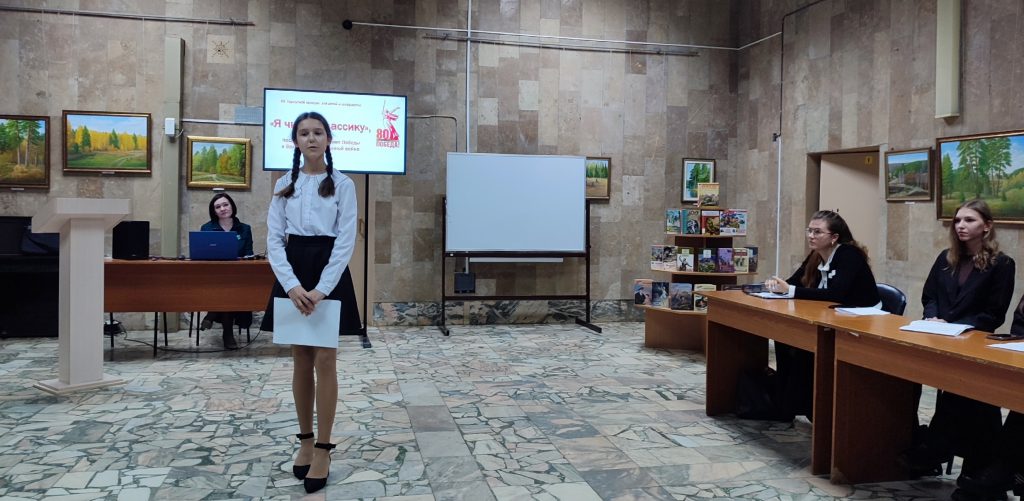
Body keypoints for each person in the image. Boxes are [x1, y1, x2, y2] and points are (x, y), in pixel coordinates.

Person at [262, 111, 361, 494]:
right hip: (294, 270)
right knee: (300, 358)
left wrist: (321, 288)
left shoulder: (343, 184)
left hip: (327, 271)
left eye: (318, 132)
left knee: (325, 360)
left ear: (329, 139)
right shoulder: (284, 184)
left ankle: (323, 448)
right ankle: (304, 441)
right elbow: (274, 239)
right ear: (296, 141)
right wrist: (290, 286)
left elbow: (346, 240)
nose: (312, 138)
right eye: (304, 133)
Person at [897, 199, 1015, 492]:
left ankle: (939, 447)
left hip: (973, 340)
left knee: (969, 395)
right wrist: (932, 317)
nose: (961, 226)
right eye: (958, 220)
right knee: (964, 398)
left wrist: (958, 326)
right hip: (939, 335)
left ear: (986, 226)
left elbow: (994, 313)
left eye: (969, 220)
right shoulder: (945, 258)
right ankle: (949, 451)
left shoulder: (1001, 264)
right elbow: (930, 295)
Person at [763, 210, 880, 419]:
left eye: (817, 232)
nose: (811, 236)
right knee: (784, 338)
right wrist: (777, 285)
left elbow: (836, 294)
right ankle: (786, 403)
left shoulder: (849, 255)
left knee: (805, 348)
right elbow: (793, 282)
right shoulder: (816, 255)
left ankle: (807, 406)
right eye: (809, 231)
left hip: (860, 319)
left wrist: (790, 290)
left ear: (834, 237)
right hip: (829, 317)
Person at [198, 192, 254, 349]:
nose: (222, 209)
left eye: (225, 204)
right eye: (218, 207)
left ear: (232, 206)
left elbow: (249, 253)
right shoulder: (207, 228)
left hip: (238, 275)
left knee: (230, 287)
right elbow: (202, 254)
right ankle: (227, 334)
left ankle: (213, 314)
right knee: (226, 287)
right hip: (214, 276)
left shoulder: (244, 229)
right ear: (214, 211)